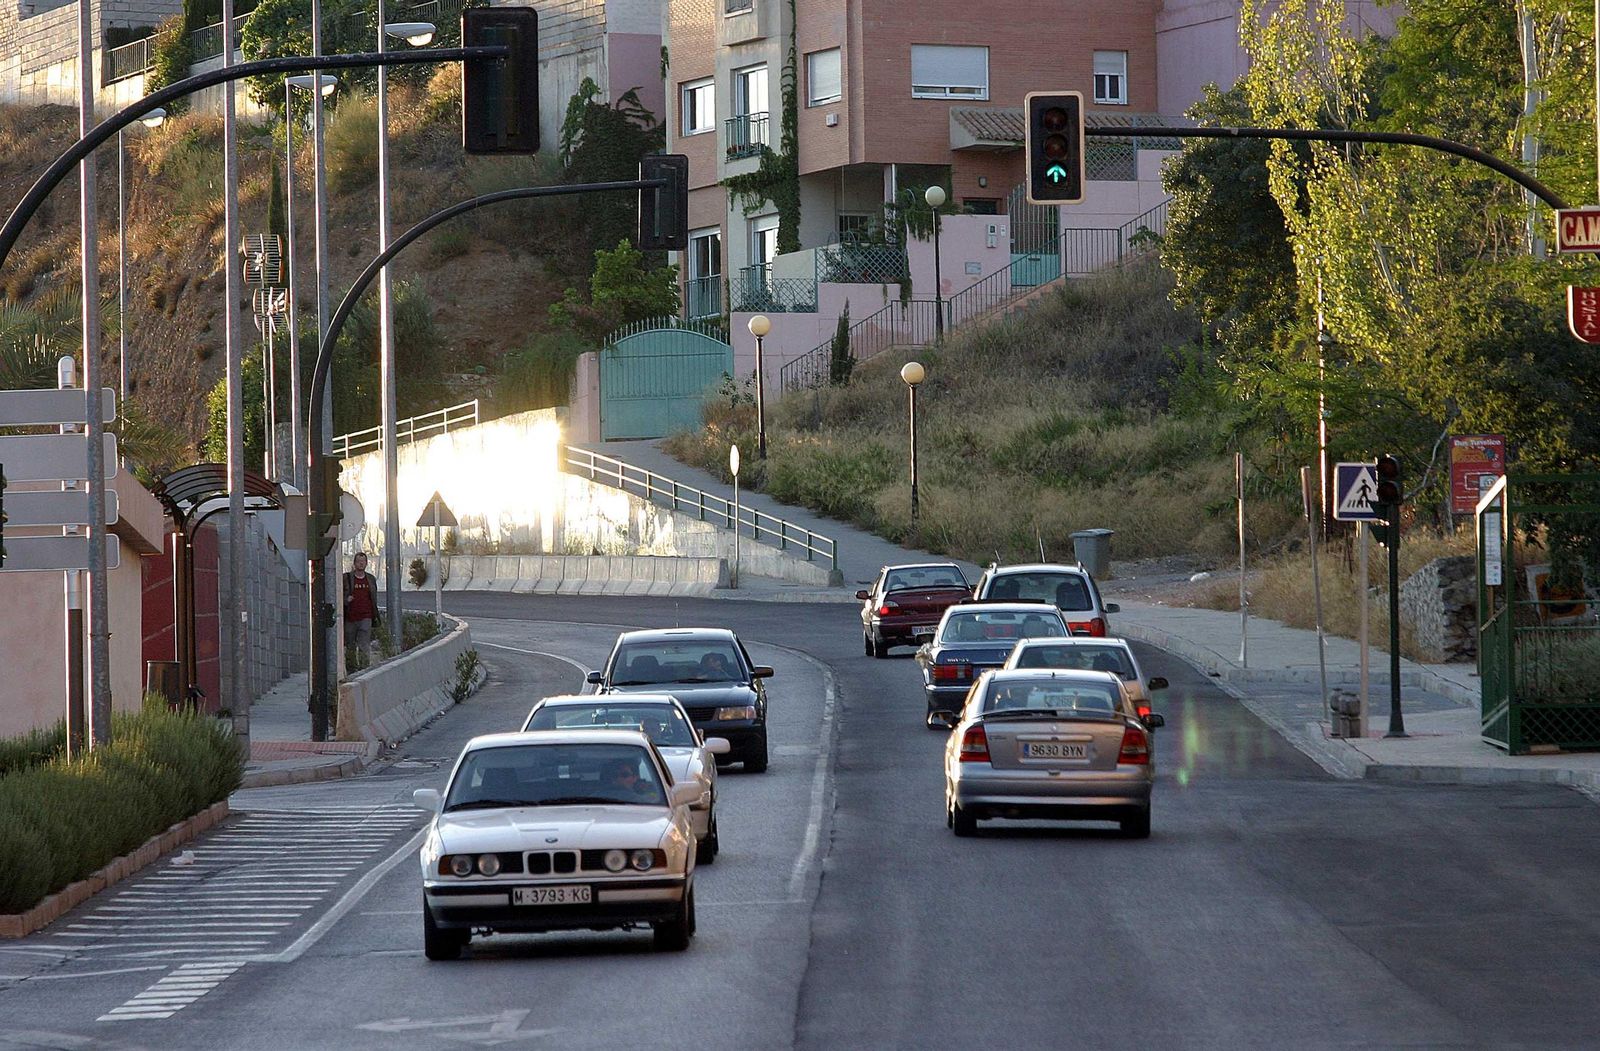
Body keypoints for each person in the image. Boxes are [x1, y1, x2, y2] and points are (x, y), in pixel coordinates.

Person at [343, 551, 377, 662]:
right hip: (350, 618)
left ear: (366, 563)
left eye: (363, 561)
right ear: (354, 563)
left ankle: (364, 667)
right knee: (350, 646)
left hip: (366, 617)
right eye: (358, 561)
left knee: (364, 645)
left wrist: (373, 614)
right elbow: (338, 594)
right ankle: (352, 667)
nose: (361, 563)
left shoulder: (370, 579)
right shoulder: (347, 578)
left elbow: (373, 597)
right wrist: (346, 600)